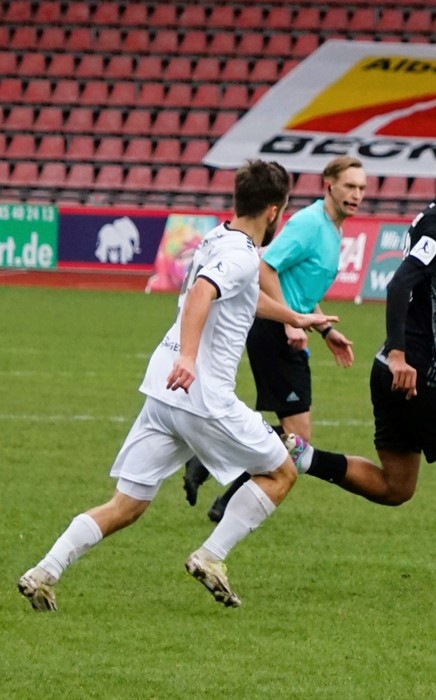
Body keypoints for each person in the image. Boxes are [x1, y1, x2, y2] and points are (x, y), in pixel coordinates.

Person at [17, 160, 336, 611]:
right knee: (282, 471)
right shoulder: (243, 255)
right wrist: (189, 356)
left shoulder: (218, 238)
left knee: (127, 504)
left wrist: (294, 317)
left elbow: (240, 295)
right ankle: (211, 555)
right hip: (201, 394)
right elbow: (204, 291)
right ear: (273, 211)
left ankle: (43, 572)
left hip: (163, 391)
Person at [281, 138, 436, 594]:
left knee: (396, 486)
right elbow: (399, 286)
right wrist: (400, 354)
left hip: (404, 366)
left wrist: (434, 358)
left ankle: (304, 456)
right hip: (415, 371)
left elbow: (423, 300)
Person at [184, 156, 365, 521]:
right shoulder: (310, 224)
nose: (356, 194)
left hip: (287, 330)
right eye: (349, 186)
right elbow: (266, 266)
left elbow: (298, 285)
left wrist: (326, 330)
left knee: (296, 437)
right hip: (275, 330)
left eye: (362, 188)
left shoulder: (332, 228)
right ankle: (218, 480)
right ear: (328, 185)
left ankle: (214, 475)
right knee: (298, 436)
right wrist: (289, 322)